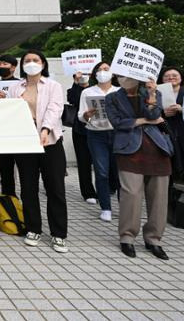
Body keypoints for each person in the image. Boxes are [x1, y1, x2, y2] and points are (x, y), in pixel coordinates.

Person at [8, 49, 69, 253]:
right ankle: (33, 228)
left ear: (43, 63)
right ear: (22, 65)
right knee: (28, 187)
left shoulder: (53, 86)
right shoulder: (16, 88)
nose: (31, 63)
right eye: (27, 60)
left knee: (55, 188)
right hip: (25, 143)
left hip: (49, 141)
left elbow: (55, 109)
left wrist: (45, 129)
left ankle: (58, 234)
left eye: (35, 60)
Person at [106, 76, 173, 260]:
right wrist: (144, 121)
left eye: (128, 76)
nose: (124, 79)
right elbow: (118, 122)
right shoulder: (112, 98)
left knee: (159, 197)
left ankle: (154, 239)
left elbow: (155, 115)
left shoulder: (152, 93)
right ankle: (127, 236)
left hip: (157, 150)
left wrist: (151, 94)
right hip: (129, 150)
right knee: (131, 194)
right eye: (120, 76)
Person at [78, 62, 120, 222]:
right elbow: (80, 116)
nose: (103, 72)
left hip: (118, 134)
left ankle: (124, 207)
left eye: (106, 69)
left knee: (120, 172)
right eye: (99, 70)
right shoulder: (87, 92)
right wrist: (87, 115)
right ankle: (106, 208)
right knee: (101, 171)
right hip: (96, 134)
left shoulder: (119, 91)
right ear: (94, 74)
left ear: (113, 73)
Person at [159, 67, 184, 195]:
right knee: (168, 170)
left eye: (174, 75)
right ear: (162, 79)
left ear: (181, 78)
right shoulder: (156, 94)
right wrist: (163, 112)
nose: (171, 77)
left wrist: (183, 109)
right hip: (166, 136)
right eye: (167, 76)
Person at [68, 70, 99, 205]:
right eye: (79, 75)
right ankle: (88, 192)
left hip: (101, 130)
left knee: (102, 163)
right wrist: (77, 83)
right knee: (84, 162)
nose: (83, 76)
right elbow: (74, 99)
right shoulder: (73, 90)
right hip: (81, 130)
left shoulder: (98, 88)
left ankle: (107, 188)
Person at [0, 54, 20, 197]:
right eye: (0, 64)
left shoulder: (20, 84)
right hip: (0, 131)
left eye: (5, 64)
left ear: (14, 67)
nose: (2, 66)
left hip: (16, 130)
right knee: (5, 167)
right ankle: (8, 196)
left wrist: (8, 99)